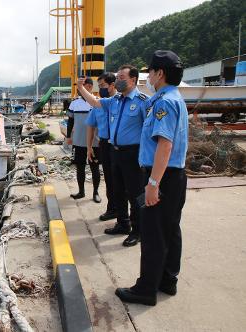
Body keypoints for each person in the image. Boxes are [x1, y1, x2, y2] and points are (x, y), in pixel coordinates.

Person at [115, 50, 188, 306]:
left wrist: (153, 184)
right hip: (175, 175)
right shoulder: (174, 98)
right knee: (170, 230)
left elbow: (164, 145)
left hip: (163, 176)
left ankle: (146, 289)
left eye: (150, 71)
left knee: (154, 233)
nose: (148, 76)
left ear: (160, 73)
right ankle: (168, 281)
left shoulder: (163, 102)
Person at [78, 65, 148, 247]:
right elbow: (94, 102)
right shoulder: (115, 100)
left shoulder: (143, 102)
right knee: (118, 190)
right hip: (114, 151)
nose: (118, 80)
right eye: (117, 77)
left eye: (122, 77)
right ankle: (122, 223)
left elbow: (150, 132)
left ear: (133, 80)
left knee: (135, 193)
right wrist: (80, 89)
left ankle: (138, 230)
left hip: (133, 154)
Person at [85, 72, 125, 221]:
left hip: (120, 146)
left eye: (102, 86)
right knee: (109, 178)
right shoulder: (99, 105)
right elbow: (90, 126)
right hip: (104, 145)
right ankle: (112, 208)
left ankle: (125, 214)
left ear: (112, 85)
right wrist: (89, 147)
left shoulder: (121, 102)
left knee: (122, 180)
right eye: (99, 85)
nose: (100, 89)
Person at [66, 77, 101, 202]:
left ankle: (96, 193)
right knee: (80, 167)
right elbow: (70, 121)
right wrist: (68, 136)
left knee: (94, 167)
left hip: (95, 142)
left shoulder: (97, 102)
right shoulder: (74, 103)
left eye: (83, 85)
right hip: (79, 141)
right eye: (79, 86)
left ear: (90, 87)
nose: (80, 89)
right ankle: (81, 191)